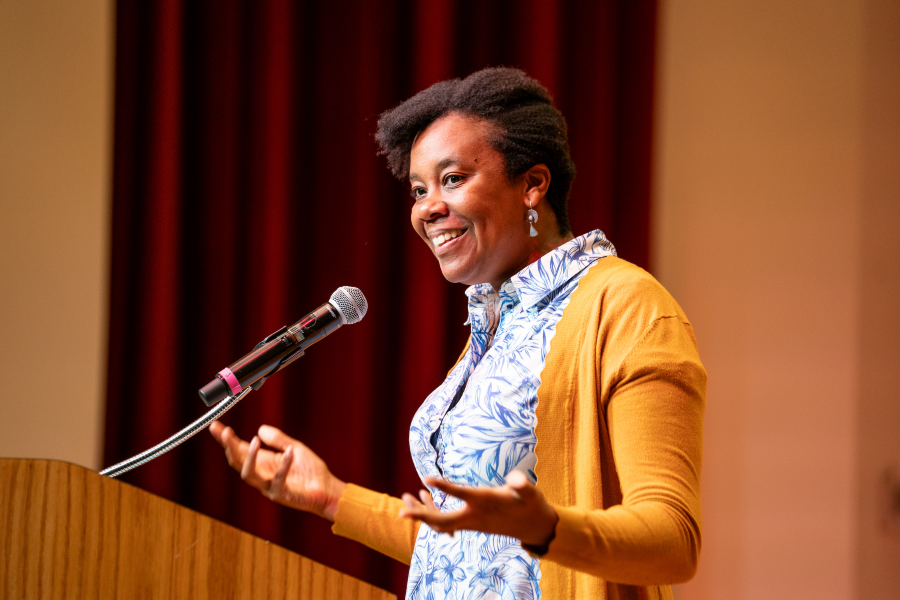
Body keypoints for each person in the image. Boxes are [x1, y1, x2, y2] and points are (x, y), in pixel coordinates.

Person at [209, 67, 706, 600]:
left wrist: (546, 529)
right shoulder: (495, 327)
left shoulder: (625, 306)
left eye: (452, 179)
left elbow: (674, 540)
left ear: (533, 184)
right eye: (419, 190)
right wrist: (333, 497)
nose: (427, 208)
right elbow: (467, 551)